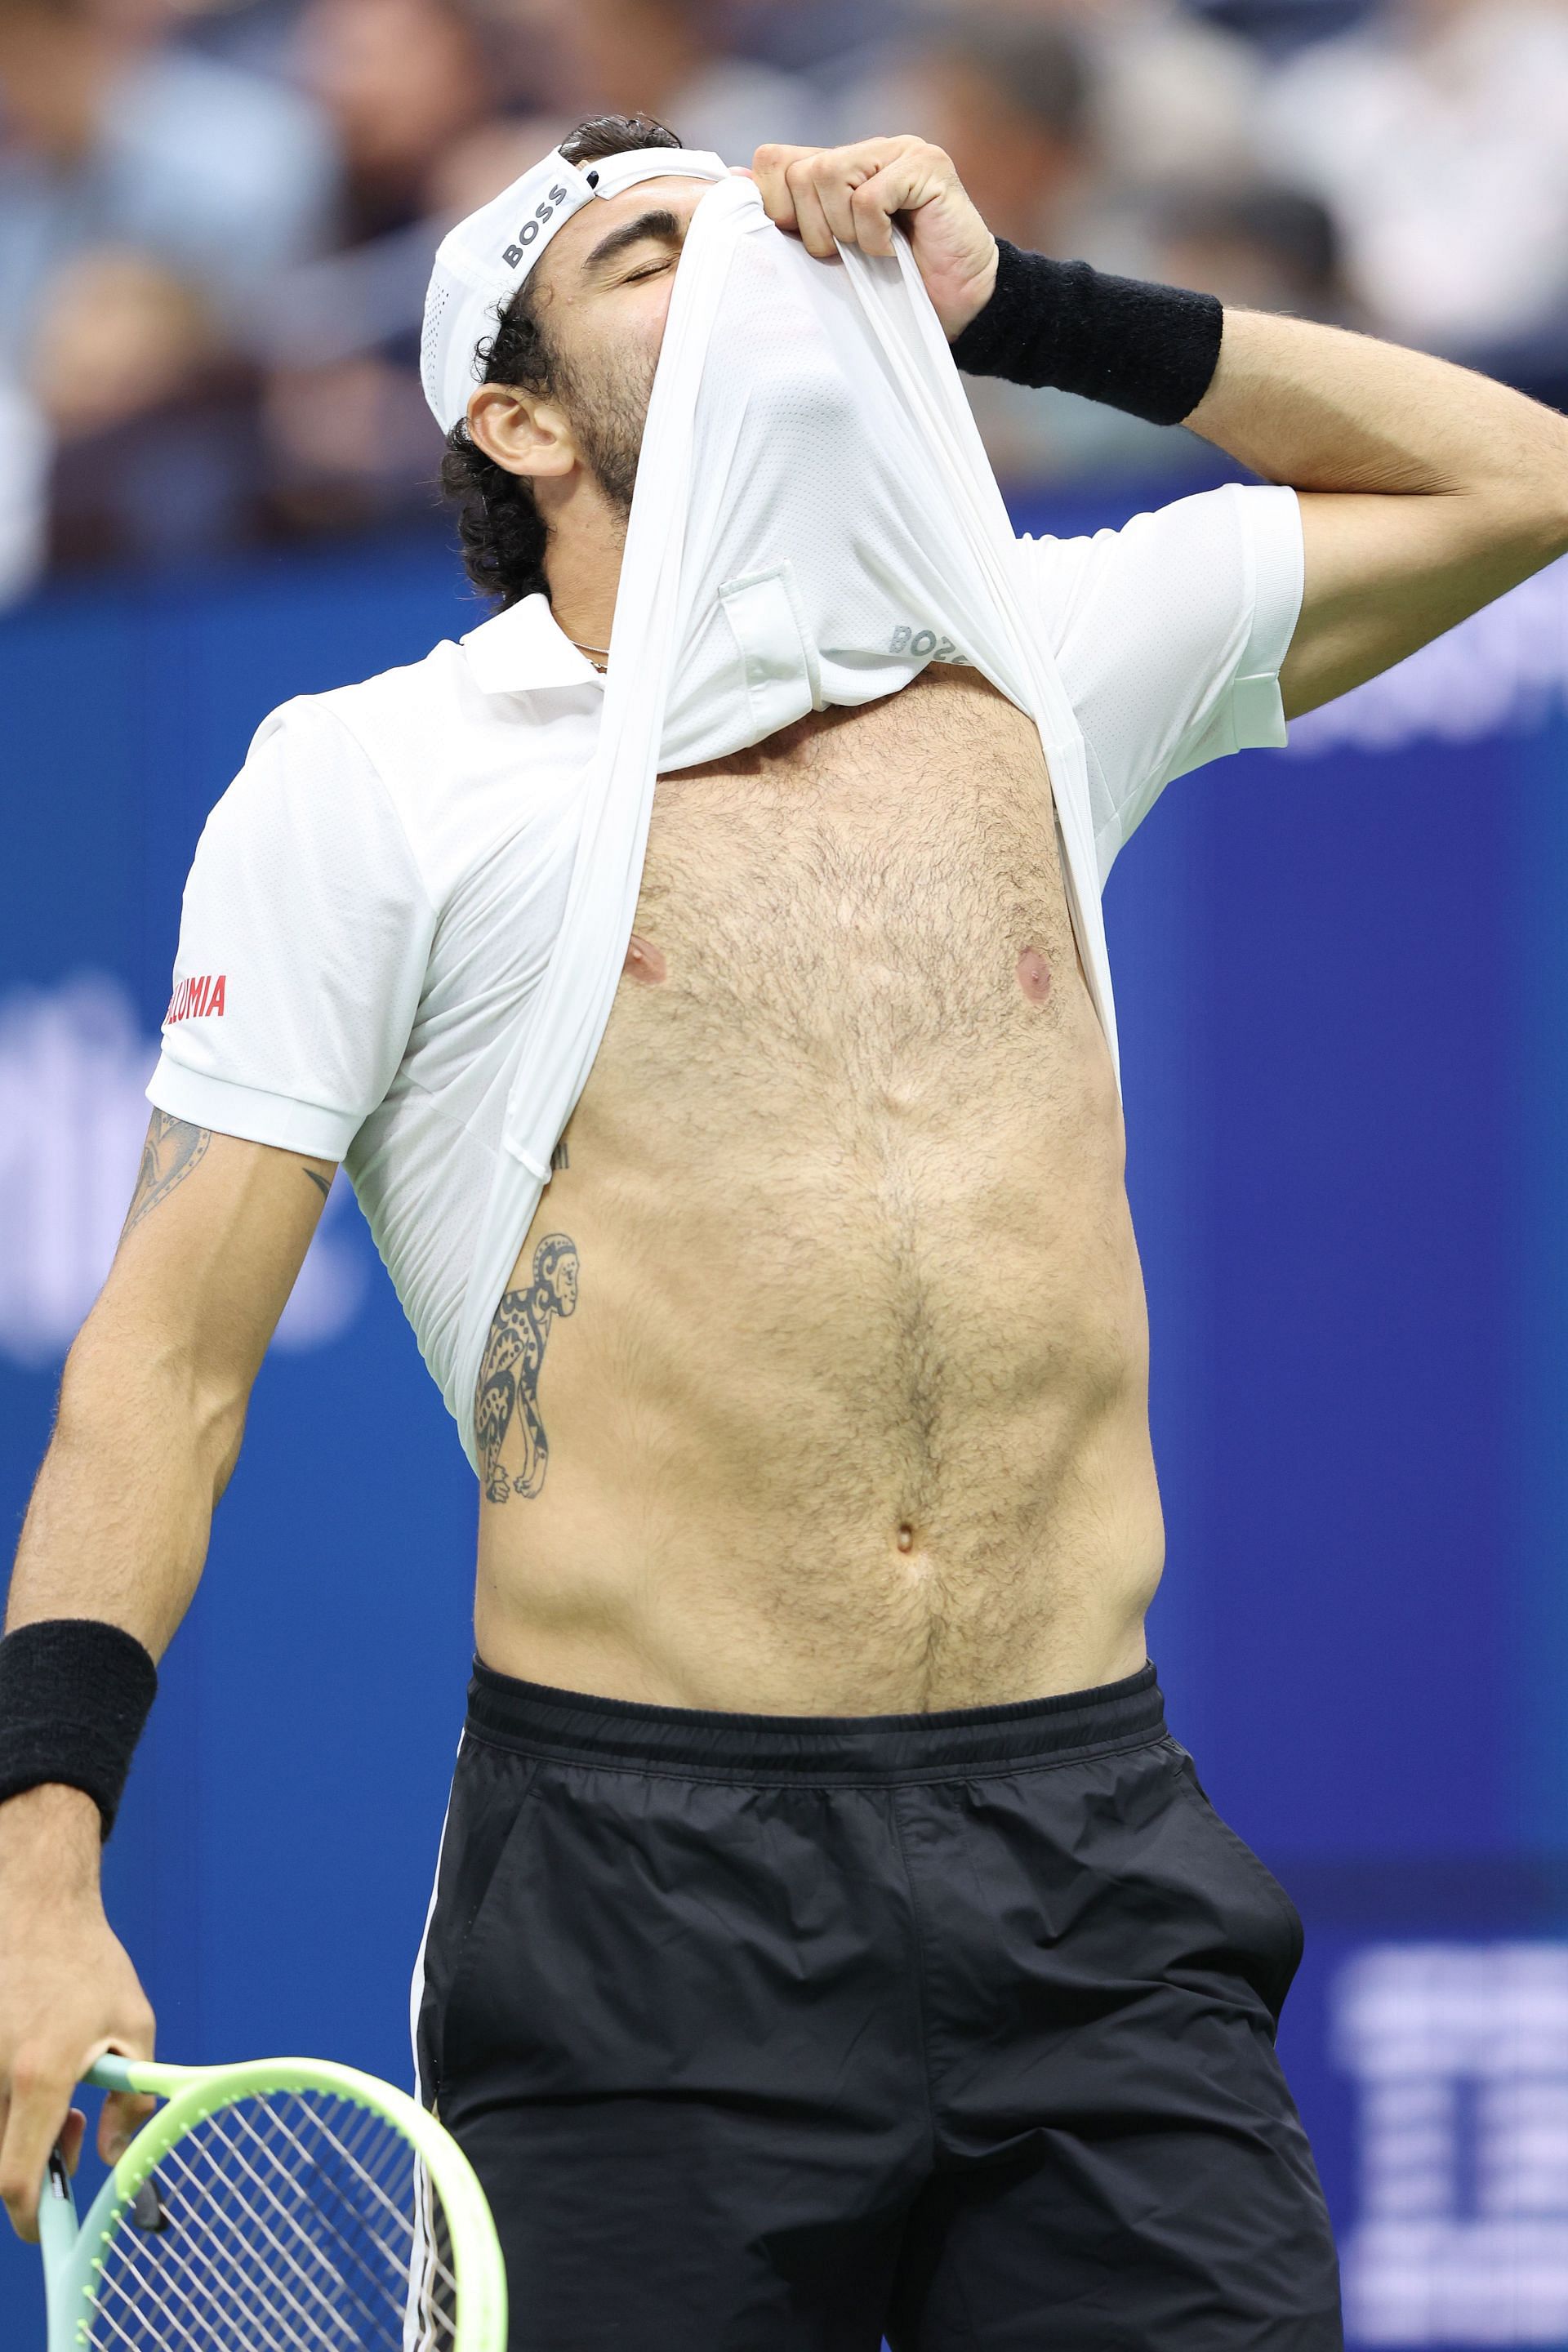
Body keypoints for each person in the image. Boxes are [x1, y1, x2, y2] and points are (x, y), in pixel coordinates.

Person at [4, 106, 1568, 2350]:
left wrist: (1023, 303)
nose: (741, 260)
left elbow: (1517, 477)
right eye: (651, 251)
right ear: (517, 419)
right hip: (643, 1920)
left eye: (757, 221)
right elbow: (164, 1366)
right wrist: (31, 1872)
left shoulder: (1040, 648)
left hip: (1095, 1870)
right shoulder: (371, 783)